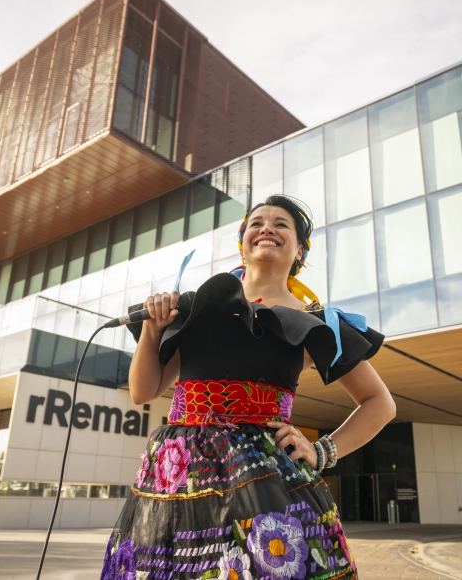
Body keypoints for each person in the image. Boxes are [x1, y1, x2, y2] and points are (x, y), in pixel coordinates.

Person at [100, 194, 395, 580]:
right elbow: (144, 390)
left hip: (269, 481)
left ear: (300, 252)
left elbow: (380, 403)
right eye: (257, 222)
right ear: (242, 243)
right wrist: (152, 331)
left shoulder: (317, 324)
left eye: (281, 224)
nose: (267, 228)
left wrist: (322, 450)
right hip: (178, 476)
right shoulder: (196, 307)